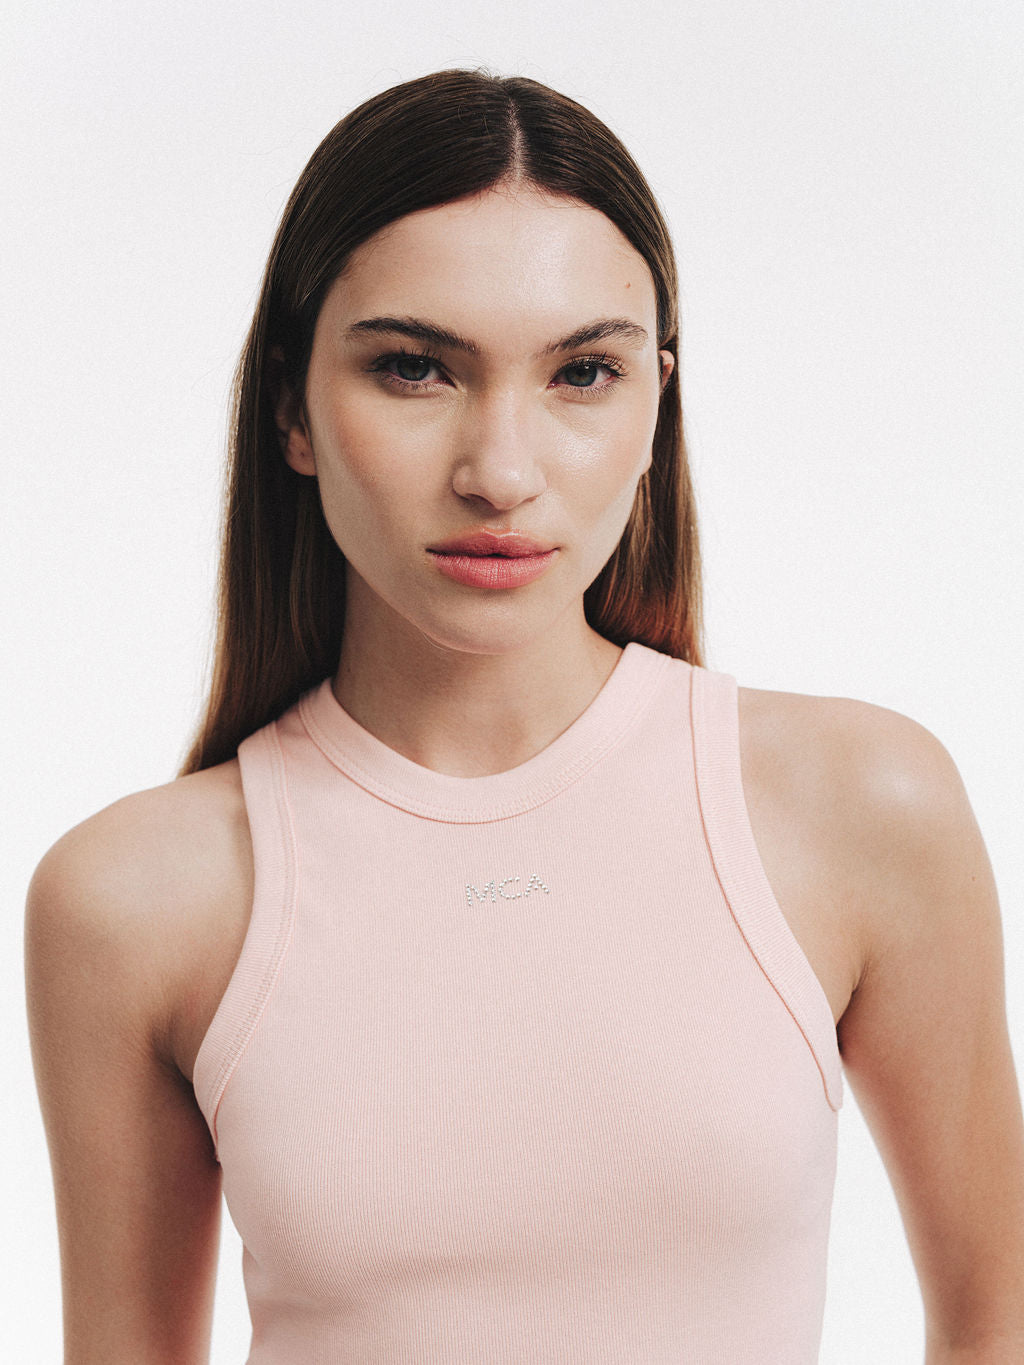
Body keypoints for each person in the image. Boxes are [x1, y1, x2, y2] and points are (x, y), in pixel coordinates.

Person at [24, 67, 1024, 1363]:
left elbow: (1000, 1316)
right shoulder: (134, 901)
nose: (499, 471)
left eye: (582, 373)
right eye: (414, 368)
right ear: (290, 409)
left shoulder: (862, 809)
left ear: (657, 405)